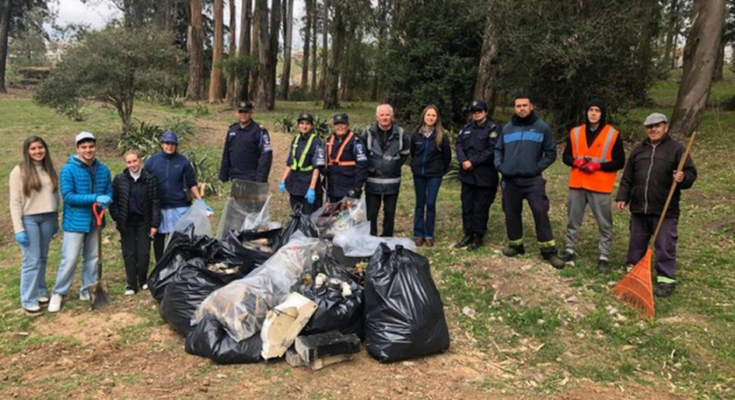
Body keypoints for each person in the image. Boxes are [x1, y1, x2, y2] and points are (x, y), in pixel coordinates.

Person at [615, 113, 696, 297]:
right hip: (639, 207)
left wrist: (683, 178)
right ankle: (633, 271)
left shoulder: (676, 150)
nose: (653, 129)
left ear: (665, 127)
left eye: (657, 126)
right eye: (649, 126)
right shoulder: (638, 151)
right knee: (636, 242)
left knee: (664, 244)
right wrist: (622, 197)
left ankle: (666, 279)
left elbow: (691, 173)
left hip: (665, 209)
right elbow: (628, 177)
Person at [495, 95, 564, 269]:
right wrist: (501, 166)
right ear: (514, 108)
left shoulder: (542, 128)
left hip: (532, 180)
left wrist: (536, 168)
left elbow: (550, 152)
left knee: (540, 211)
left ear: (531, 107)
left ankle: (549, 251)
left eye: (525, 105)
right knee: (511, 212)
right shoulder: (507, 128)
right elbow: (498, 149)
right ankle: (516, 245)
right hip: (510, 180)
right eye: (518, 106)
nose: (521, 108)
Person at [48, 132, 112, 313]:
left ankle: (87, 289)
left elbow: (108, 190)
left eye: (91, 146)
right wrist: (94, 197)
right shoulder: (68, 170)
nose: (88, 150)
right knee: (70, 259)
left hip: (96, 220)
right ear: (77, 149)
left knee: (92, 258)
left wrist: (108, 199)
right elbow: (69, 197)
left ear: (95, 147)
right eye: (83, 147)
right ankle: (58, 293)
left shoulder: (103, 169)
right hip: (76, 221)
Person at [560, 99, 625, 273]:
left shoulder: (612, 134)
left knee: (605, 224)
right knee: (573, 219)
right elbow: (565, 157)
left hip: (600, 185)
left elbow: (620, 161)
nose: (593, 113)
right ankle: (569, 249)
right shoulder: (575, 132)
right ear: (586, 112)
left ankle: (604, 256)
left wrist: (599, 166)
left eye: (597, 110)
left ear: (602, 113)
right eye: (590, 110)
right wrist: (576, 162)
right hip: (578, 183)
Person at [9, 136, 60, 316]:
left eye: (40, 148)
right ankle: (28, 299)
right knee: (31, 260)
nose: (38, 152)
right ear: (27, 151)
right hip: (29, 219)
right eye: (33, 149)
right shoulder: (19, 171)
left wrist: (56, 221)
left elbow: (55, 196)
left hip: (48, 217)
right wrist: (19, 228)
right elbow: (15, 202)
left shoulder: (49, 169)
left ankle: (40, 291)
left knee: (43, 257)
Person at [144, 131, 211, 263]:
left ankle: (178, 263)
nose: (170, 146)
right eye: (167, 143)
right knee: (159, 237)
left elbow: (192, 183)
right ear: (162, 144)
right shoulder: (152, 161)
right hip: (159, 206)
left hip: (180, 205)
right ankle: (160, 264)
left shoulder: (183, 162)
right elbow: (145, 183)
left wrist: (201, 201)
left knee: (179, 237)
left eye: (173, 144)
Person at [111, 150, 160, 295]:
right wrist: (118, 217)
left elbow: (155, 202)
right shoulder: (119, 179)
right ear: (126, 163)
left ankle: (143, 280)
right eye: (129, 162)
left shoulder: (150, 179)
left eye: (135, 161)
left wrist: (154, 224)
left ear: (140, 160)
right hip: (126, 222)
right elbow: (113, 201)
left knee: (144, 252)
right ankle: (131, 284)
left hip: (144, 221)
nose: (133, 164)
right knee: (129, 253)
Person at [454, 100, 501, 251]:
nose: (476, 113)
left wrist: (472, 162)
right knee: (467, 205)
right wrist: (463, 160)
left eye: (479, 111)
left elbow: (492, 150)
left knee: (480, 207)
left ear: (486, 112)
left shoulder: (493, 129)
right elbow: (459, 144)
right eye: (474, 111)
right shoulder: (467, 128)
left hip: (484, 176)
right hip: (467, 175)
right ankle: (468, 234)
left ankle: (478, 236)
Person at [362, 104, 411, 237]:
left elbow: (405, 153)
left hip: (392, 181)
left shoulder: (400, 134)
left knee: (390, 212)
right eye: (382, 115)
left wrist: (394, 165)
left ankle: (387, 237)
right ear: (377, 117)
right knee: (371, 212)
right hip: (372, 180)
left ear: (392, 116)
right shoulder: (367, 133)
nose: (385, 117)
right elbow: (362, 154)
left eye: (387, 115)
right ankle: (371, 237)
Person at [410, 105, 452, 247]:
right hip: (419, 174)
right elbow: (412, 152)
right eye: (428, 115)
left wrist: (440, 169)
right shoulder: (416, 134)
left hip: (434, 175)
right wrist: (415, 166)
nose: (431, 118)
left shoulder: (441, 135)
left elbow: (447, 156)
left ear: (437, 118)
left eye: (433, 115)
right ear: (424, 116)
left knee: (431, 203)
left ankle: (429, 234)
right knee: (420, 203)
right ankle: (418, 233)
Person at [278, 113, 326, 214]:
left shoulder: (316, 142)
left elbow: (317, 167)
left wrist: (312, 188)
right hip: (295, 183)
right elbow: (290, 162)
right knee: (296, 214)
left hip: (308, 183)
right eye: (302, 123)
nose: (304, 126)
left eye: (307, 124)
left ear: (312, 126)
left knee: (309, 216)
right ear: (298, 125)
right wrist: (283, 180)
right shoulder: (295, 140)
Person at [219, 100, 273, 184]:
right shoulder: (232, 130)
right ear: (236, 113)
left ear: (251, 113)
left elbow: (266, 157)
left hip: (252, 178)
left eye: (246, 112)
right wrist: (223, 174)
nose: (243, 115)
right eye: (241, 112)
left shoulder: (259, 131)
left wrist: (260, 179)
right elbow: (227, 153)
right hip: (235, 177)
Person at [324, 113, 368, 203]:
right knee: (333, 216)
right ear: (333, 126)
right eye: (337, 124)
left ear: (348, 125)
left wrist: (357, 188)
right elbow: (323, 160)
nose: (340, 127)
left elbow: (362, 165)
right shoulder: (328, 140)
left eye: (342, 124)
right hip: (332, 188)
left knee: (347, 216)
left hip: (349, 188)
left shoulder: (356, 141)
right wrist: (322, 169)